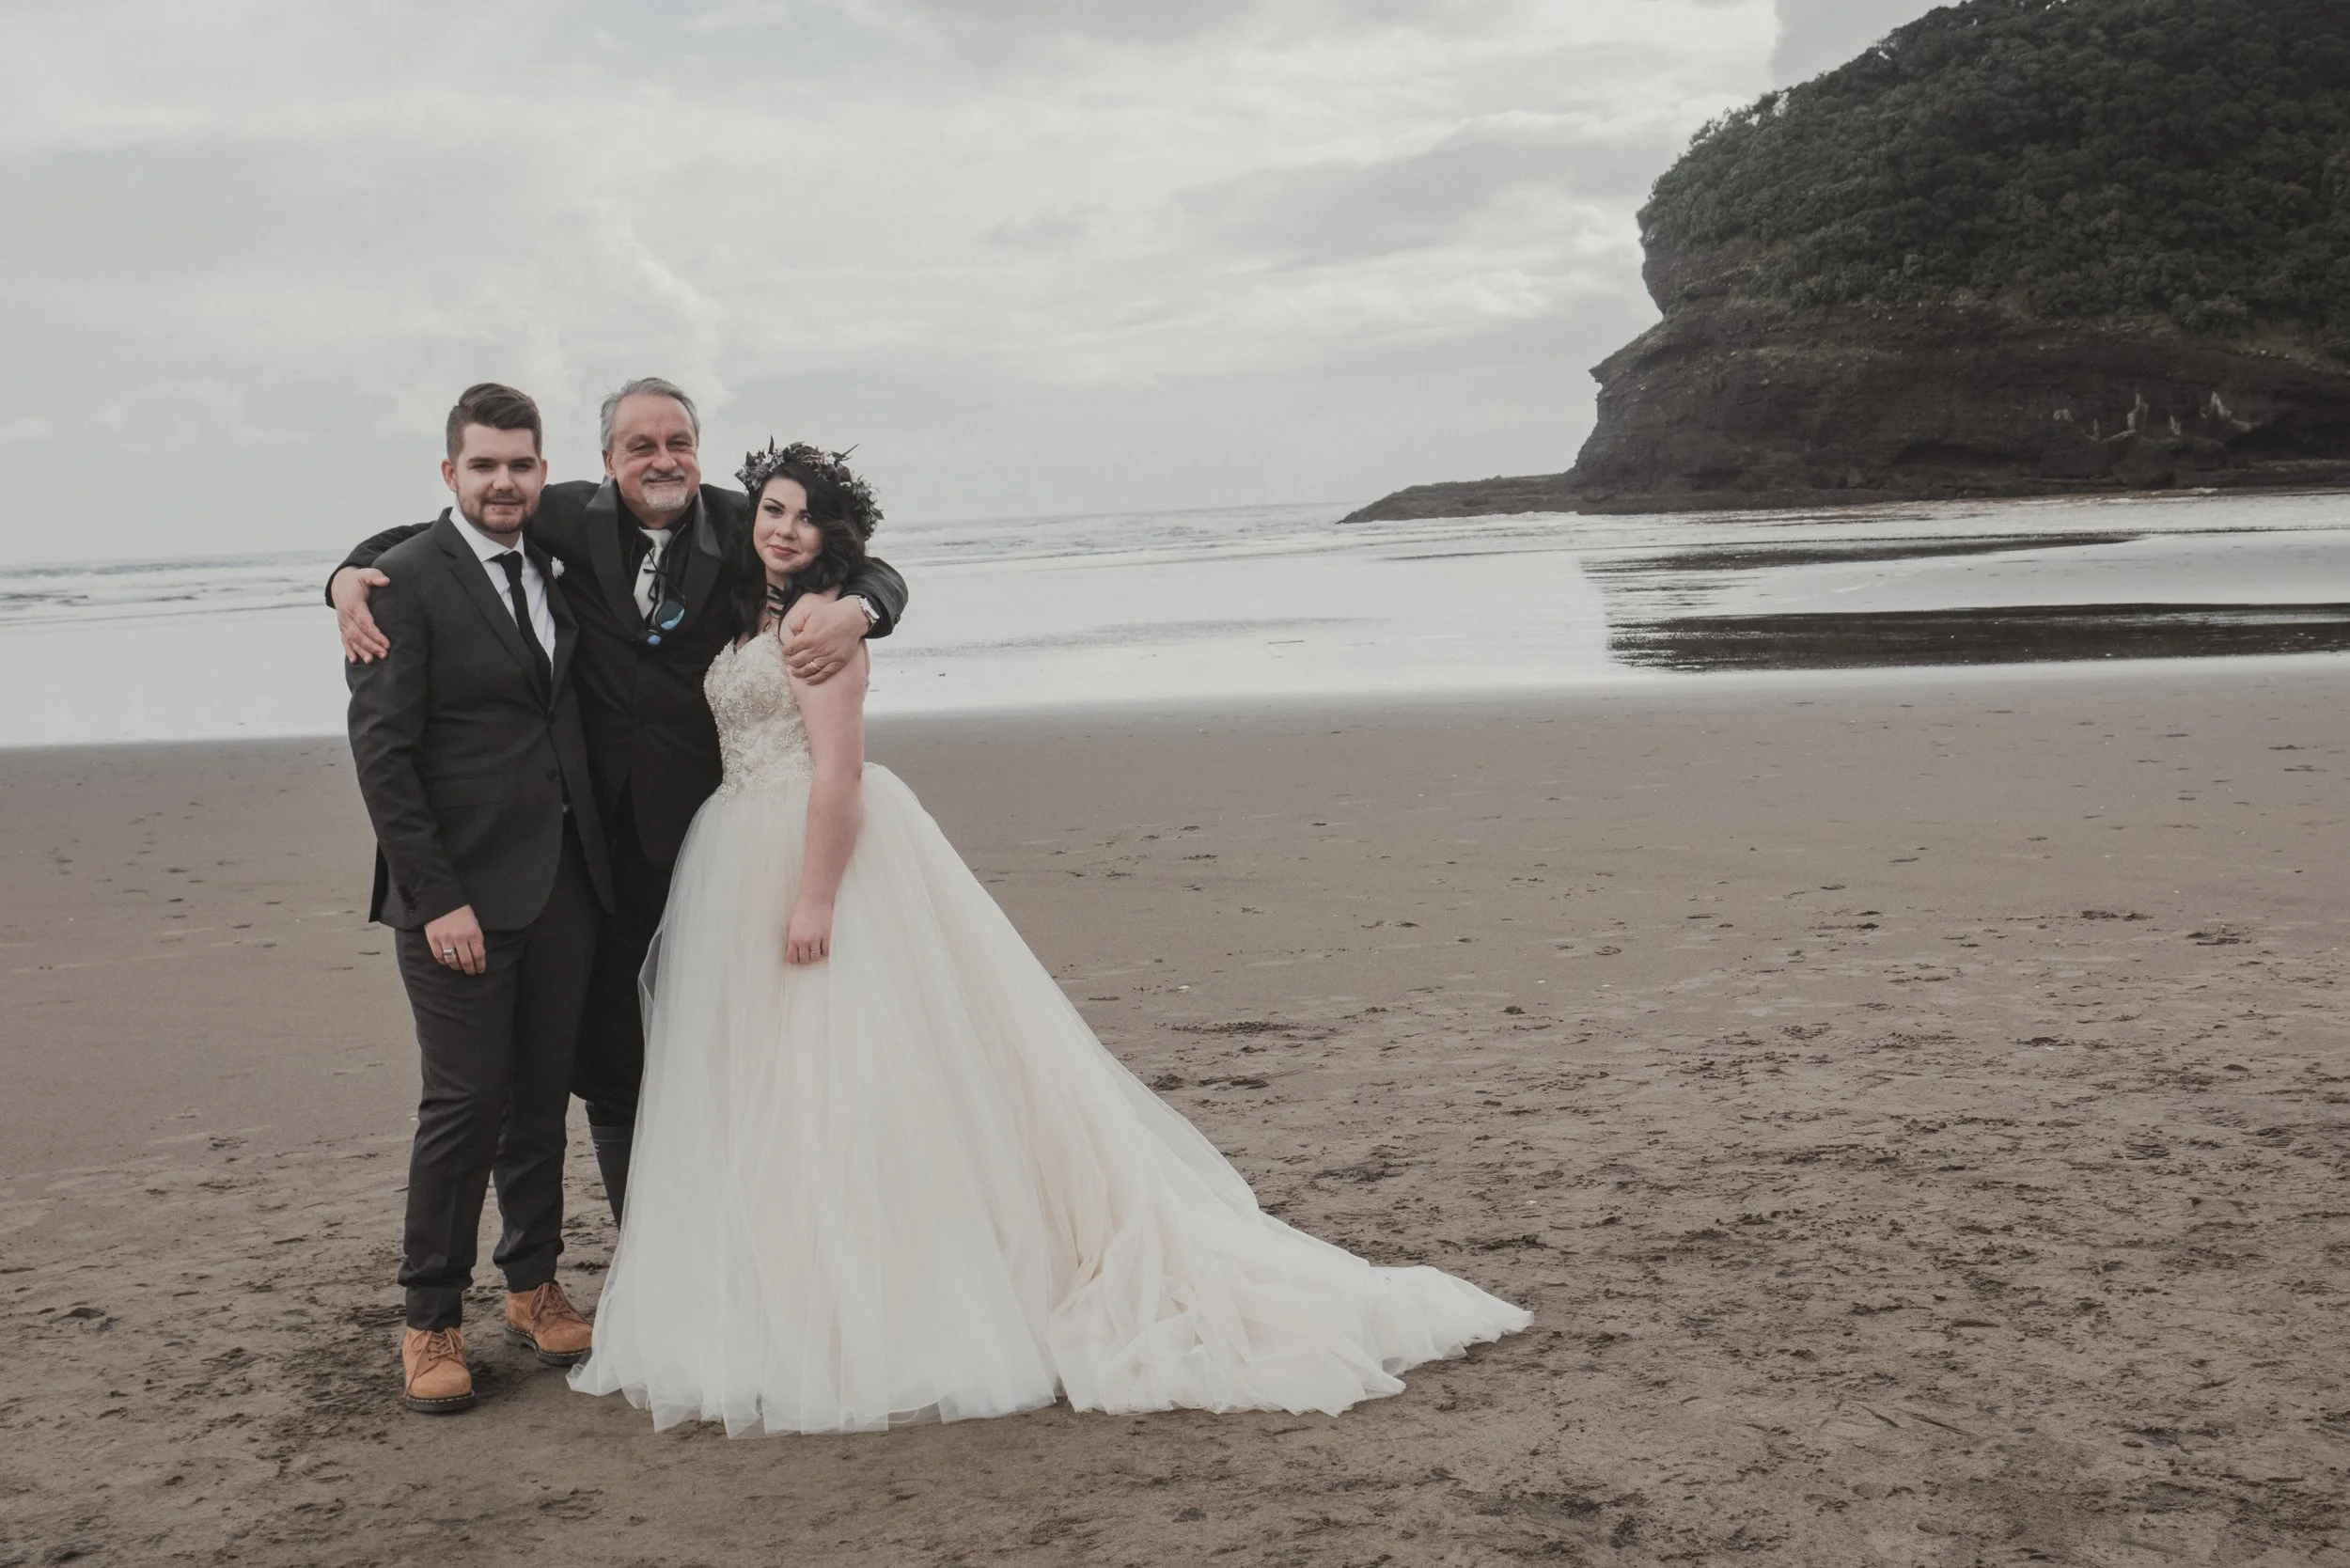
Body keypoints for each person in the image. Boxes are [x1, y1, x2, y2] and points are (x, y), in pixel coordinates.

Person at [568, 442, 1529, 1435]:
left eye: (803, 518)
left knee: (849, 1071)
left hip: (812, 855)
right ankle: (793, 1278)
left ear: (831, 538)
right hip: (737, 846)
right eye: (771, 509)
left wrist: (814, 899)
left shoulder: (824, 623)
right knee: (777, 1081)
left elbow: (839, 775)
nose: (780, 528)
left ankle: (886, 1297)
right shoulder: (749, 602)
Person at [327, 379, 908, 1221]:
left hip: (718, 839)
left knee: (747, 1033)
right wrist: (346, 575)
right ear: (607, 462)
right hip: (593, 848)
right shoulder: (566, 515)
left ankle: (770, 1212)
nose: (661, 460)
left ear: (699, 454)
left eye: (678, 443)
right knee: (614, 1056)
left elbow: (865, 564)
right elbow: (430, 535)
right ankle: (647, 1242)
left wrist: (861, 609)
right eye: (640, 446)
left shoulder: (744, 525)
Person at [344, 383, 618, 1414]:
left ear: (542, 472)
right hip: (454, 900)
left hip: (562, 887)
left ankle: (533, 1287)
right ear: (448, 473)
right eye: (483, 464)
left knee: (541, 1101)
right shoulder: (401, 584)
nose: (503, 481)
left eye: (520, 464)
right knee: (463, 1108)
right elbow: (384, 758)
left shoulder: (555, 566)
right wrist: (436, 897)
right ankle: (428, 1321)